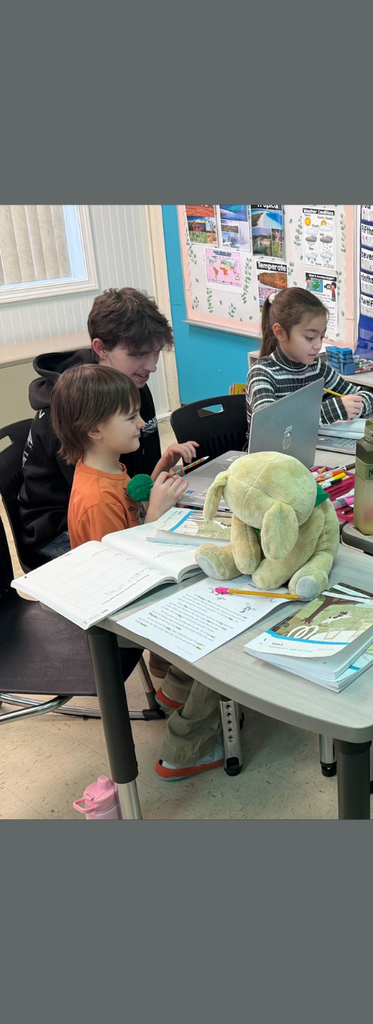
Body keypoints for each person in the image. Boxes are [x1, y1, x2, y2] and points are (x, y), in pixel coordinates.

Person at [51, 363, 226, 781]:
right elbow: (121, 571)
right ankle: (185, 749)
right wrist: (157, 517)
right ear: (94, 429)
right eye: (130, 417)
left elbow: (131, 502)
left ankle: (176, 689)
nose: (144, 423)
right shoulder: (95, 497)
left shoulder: (108, 467)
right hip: (121, 613)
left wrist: (163, 463)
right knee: (220, 640)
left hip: (136, 593)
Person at [19, 286, 197, 560]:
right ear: (101, 348)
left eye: (156, 352)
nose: (152, 366)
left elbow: (129, 486)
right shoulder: (72, 412)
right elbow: (110, 545)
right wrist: (151, 518)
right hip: (62, 531)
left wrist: (161, 472)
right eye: (138, 355)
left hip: (119, 511)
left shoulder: (131, 386)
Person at [246, 286, 373, 427]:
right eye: (309, 337)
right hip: (270, 449)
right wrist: (330, 411)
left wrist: (355, 405)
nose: (318, 345)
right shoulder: (262, 374)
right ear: (280, 332)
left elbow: (366, 396)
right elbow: (269, 425)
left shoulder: (317, 368)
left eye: (321, 336)